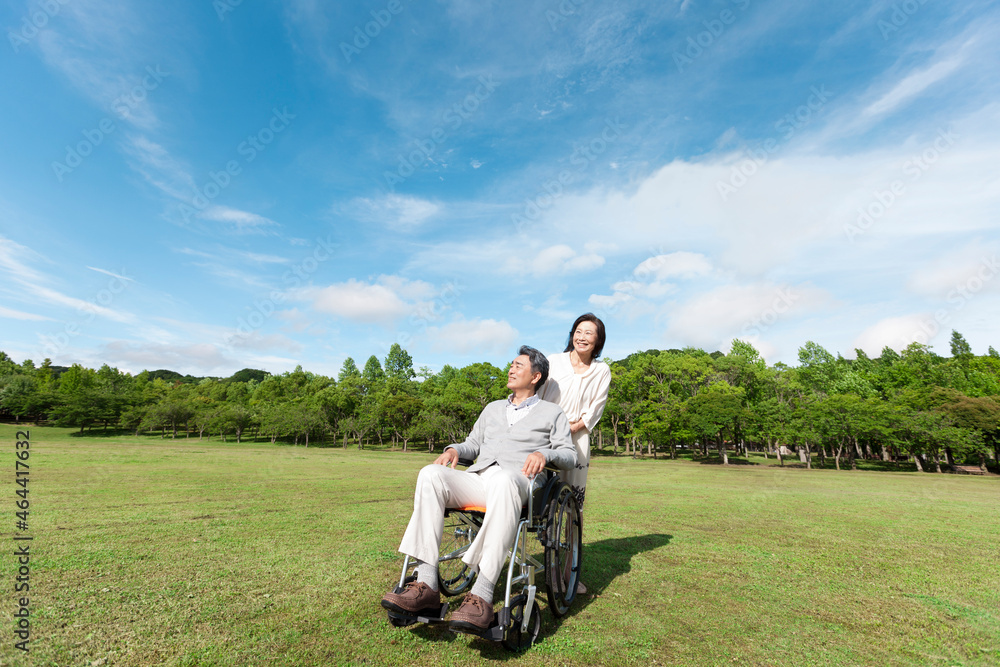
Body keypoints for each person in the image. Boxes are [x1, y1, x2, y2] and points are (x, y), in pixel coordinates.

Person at [381, 346, 576, 633]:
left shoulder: (552, 413)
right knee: (431, 474)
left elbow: (568, 454)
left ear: (535, 376)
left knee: (504, 480)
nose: (510, 369)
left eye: (518, 366)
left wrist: (545, 454)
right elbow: (472, 445)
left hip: (520, 481)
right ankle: (427, 585)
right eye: (511, 364)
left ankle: (482, 595)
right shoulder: (492, 408)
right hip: (480, 477)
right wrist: (453, 450)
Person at [538, 313, 611, 594]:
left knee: (572, 509)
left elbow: (596, 408)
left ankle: (567, 574)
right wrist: (550, 428)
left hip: (577, 439)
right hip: (543, 436)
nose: (582, 337)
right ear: (572, 334)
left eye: (589, 333)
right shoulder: (553, 361)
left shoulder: (601, 371)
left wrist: (573, 426)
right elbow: (536, 392)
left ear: (598, 341)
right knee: (531, 501)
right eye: (578, 331)